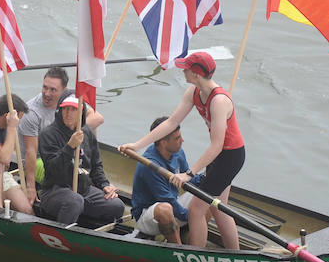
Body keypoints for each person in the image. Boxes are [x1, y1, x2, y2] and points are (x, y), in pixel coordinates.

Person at [118, 51, 244, 250]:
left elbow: (218, 145)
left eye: (186, 68)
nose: (182, 71)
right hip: (217, 156)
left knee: (196, 210)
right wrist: (138, 144)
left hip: (229, 157)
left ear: (195, 73)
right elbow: (172, 122)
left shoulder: (219, 101)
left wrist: (189, 174)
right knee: (220, 209)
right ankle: (236, 255)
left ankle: (194, 256)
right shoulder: (193, 92)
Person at [18, 66, 104, 205]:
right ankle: (66, 196)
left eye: (53, 90)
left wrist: (75, 128)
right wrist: (30, 187)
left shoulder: (69, 102)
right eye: (45, 88)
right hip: (40, 159)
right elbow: (30, 152)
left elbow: (98, 118)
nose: (47, 93)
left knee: (86, 148)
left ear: (64, 91)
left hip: (63, 149)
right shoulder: (32, 114)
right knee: (71, 169)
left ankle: (89, 185)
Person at [38, 94, 124, 227]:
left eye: (73, 109)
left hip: (83, 190)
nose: (68, 113)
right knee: (74, 201)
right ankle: (62, 235)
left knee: (116, 206)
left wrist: (104, 184)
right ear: (59, 111)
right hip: (55, 190)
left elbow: (96, 165)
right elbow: (53, 169)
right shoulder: (48, 134)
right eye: (65, 109)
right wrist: (70, 147)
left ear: (81, 112)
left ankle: (89, 227)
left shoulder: (87, 132)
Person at [130, 118, 198, 244]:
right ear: (163, 143)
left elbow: (189, 181)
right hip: (149, 217)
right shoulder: (149, 165)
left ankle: (194, 245)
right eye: (177, 138)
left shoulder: (178, 152)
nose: (182, 141)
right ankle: (178, 250)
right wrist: (192, 217)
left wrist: (206, 177)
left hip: (173, 206)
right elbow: (167, 200)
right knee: (165, 209)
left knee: (208, 197)